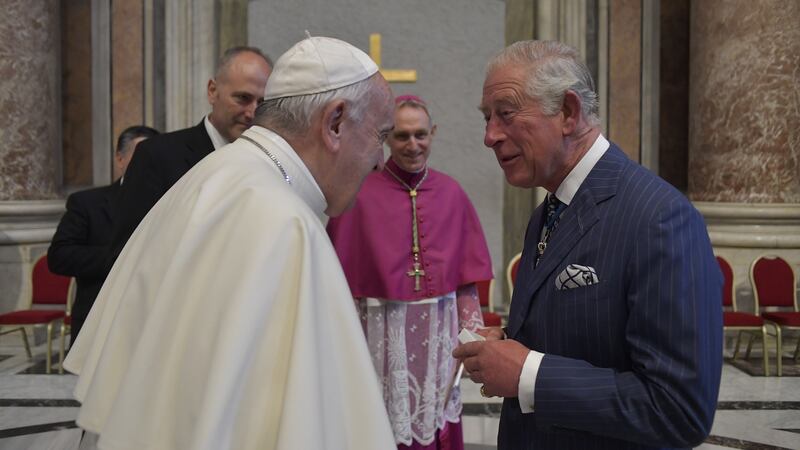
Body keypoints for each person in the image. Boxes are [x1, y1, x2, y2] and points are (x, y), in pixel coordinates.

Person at [63, 36, 397, 450]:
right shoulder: (285, 223)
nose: (381, 159)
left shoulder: (217, 174)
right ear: (334, 123)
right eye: (380, 135)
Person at [453, 40, 722, 450]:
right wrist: (507, 344)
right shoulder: (547, 212)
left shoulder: (659, 217)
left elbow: (679, 409)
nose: (490, 136)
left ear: (568, 112)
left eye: (506, 114)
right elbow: (591, 335)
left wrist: (529, 374)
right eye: (487, 118)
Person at [327, 95, 493, 450]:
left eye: (420, 134)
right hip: (381, 332)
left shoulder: (452, 193)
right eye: (402, 136)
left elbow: (465, 283)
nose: (413, 145)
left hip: (438, 333)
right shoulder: (359, 194)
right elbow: (343, 288)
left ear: (433, 133)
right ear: (387, 137)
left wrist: (473, 337)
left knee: (434, 415)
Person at [107, 46, 272, 268]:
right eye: (243, 98)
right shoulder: (157, 156)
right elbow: (129, 252)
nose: (252, 112)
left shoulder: (269, 162)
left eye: (262, 103)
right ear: (212, 91)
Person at [48, 125, 159, 346]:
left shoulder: (178, 202)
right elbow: (60, 256)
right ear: (120, 159)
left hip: (155, 325)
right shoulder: (88, 203)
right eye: (140, 156)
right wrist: (123, 258)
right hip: (98, 323)